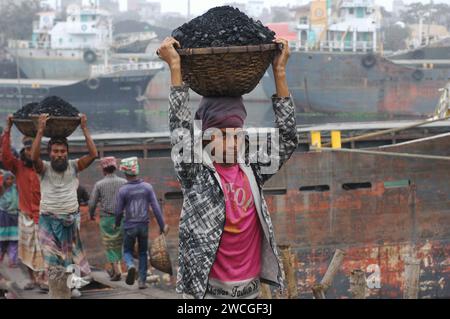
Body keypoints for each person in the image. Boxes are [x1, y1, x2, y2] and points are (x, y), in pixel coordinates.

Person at [158, 36, 298, 299]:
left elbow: (288, 139)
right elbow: (180, 130)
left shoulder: (253, 169)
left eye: (236, 134)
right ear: (206, 136)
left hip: (250, 291)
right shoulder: (196, 173)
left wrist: (279, 72)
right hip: (206, 293)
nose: (232, 143)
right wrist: (175, 68)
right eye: (222, 134)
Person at [31, 113, 98, 298]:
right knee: (53, 262)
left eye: (62, 151)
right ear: (49, 153)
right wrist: (40, 131)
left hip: (69, 220)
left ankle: (71, 288)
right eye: (55, 151)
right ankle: (57, 293)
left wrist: (84, 128)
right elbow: (33, 157)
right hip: (48, 220)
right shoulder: (43, 168)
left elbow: (93, 154)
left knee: (70, 258)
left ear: (67, 152)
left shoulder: (74, 166)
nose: (59, 155)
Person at [1, 117, 47, 290]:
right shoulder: (18, 166)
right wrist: (7, 130)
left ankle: (43, 279)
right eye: (27, 149)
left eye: (32, 149)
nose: (29, 152)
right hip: (25, 215)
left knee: (43, 250)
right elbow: (5, 155)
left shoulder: (42, 166)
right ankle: (33, 279)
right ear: (24, 150)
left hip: (43, 215)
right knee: (26, 251)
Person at [115, 157, 169, 289]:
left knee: (127, 250)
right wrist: (162, 226)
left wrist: (116, 223)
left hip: (129, 226)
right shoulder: (147, 187)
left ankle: (130, 265)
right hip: (143, 226)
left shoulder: (123, 190)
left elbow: (118, 211)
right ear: (137, 170)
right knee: (143, 253)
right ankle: (142, 282)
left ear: (125, 173)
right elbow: (156, 208)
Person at [89, 157, 126, 281]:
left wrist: (91, 214)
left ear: (103, 169)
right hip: (122, 218)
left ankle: (116, 270)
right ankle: (116, 269)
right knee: (119, 243)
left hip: (106, 219)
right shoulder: (124, 182)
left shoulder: (99, 184)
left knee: (110, 245)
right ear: (115, 167)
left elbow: (92, 203)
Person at [0, 172, 19, 268]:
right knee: (2, 240)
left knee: (14, 239)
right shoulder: (1, 189)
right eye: (8, 179)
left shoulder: (16, 189)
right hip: (3, 218)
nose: (10, 181)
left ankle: (12, 260)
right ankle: (2, 253)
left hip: (14, 217)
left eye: (12, 179)